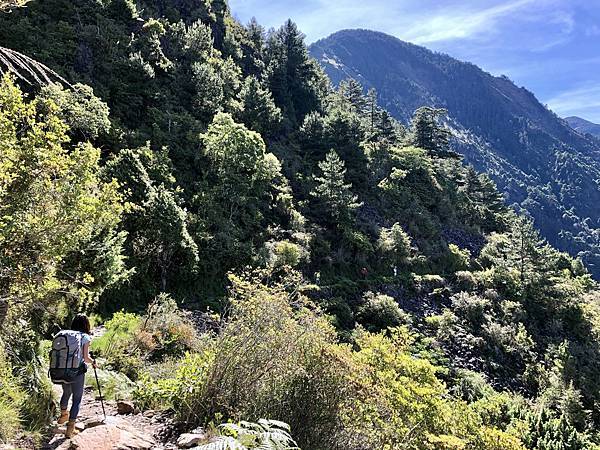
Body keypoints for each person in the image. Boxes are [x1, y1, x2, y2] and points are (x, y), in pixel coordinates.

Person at [56, 314, 96, 438]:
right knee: (77, 399)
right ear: (86, 324)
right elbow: (85, 358)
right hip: (77, 372)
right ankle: (70, 429)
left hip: (62, 370)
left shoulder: (64, 334)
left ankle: (63, 414)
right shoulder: (84, 337)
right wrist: (93, 362)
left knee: (66, 393)